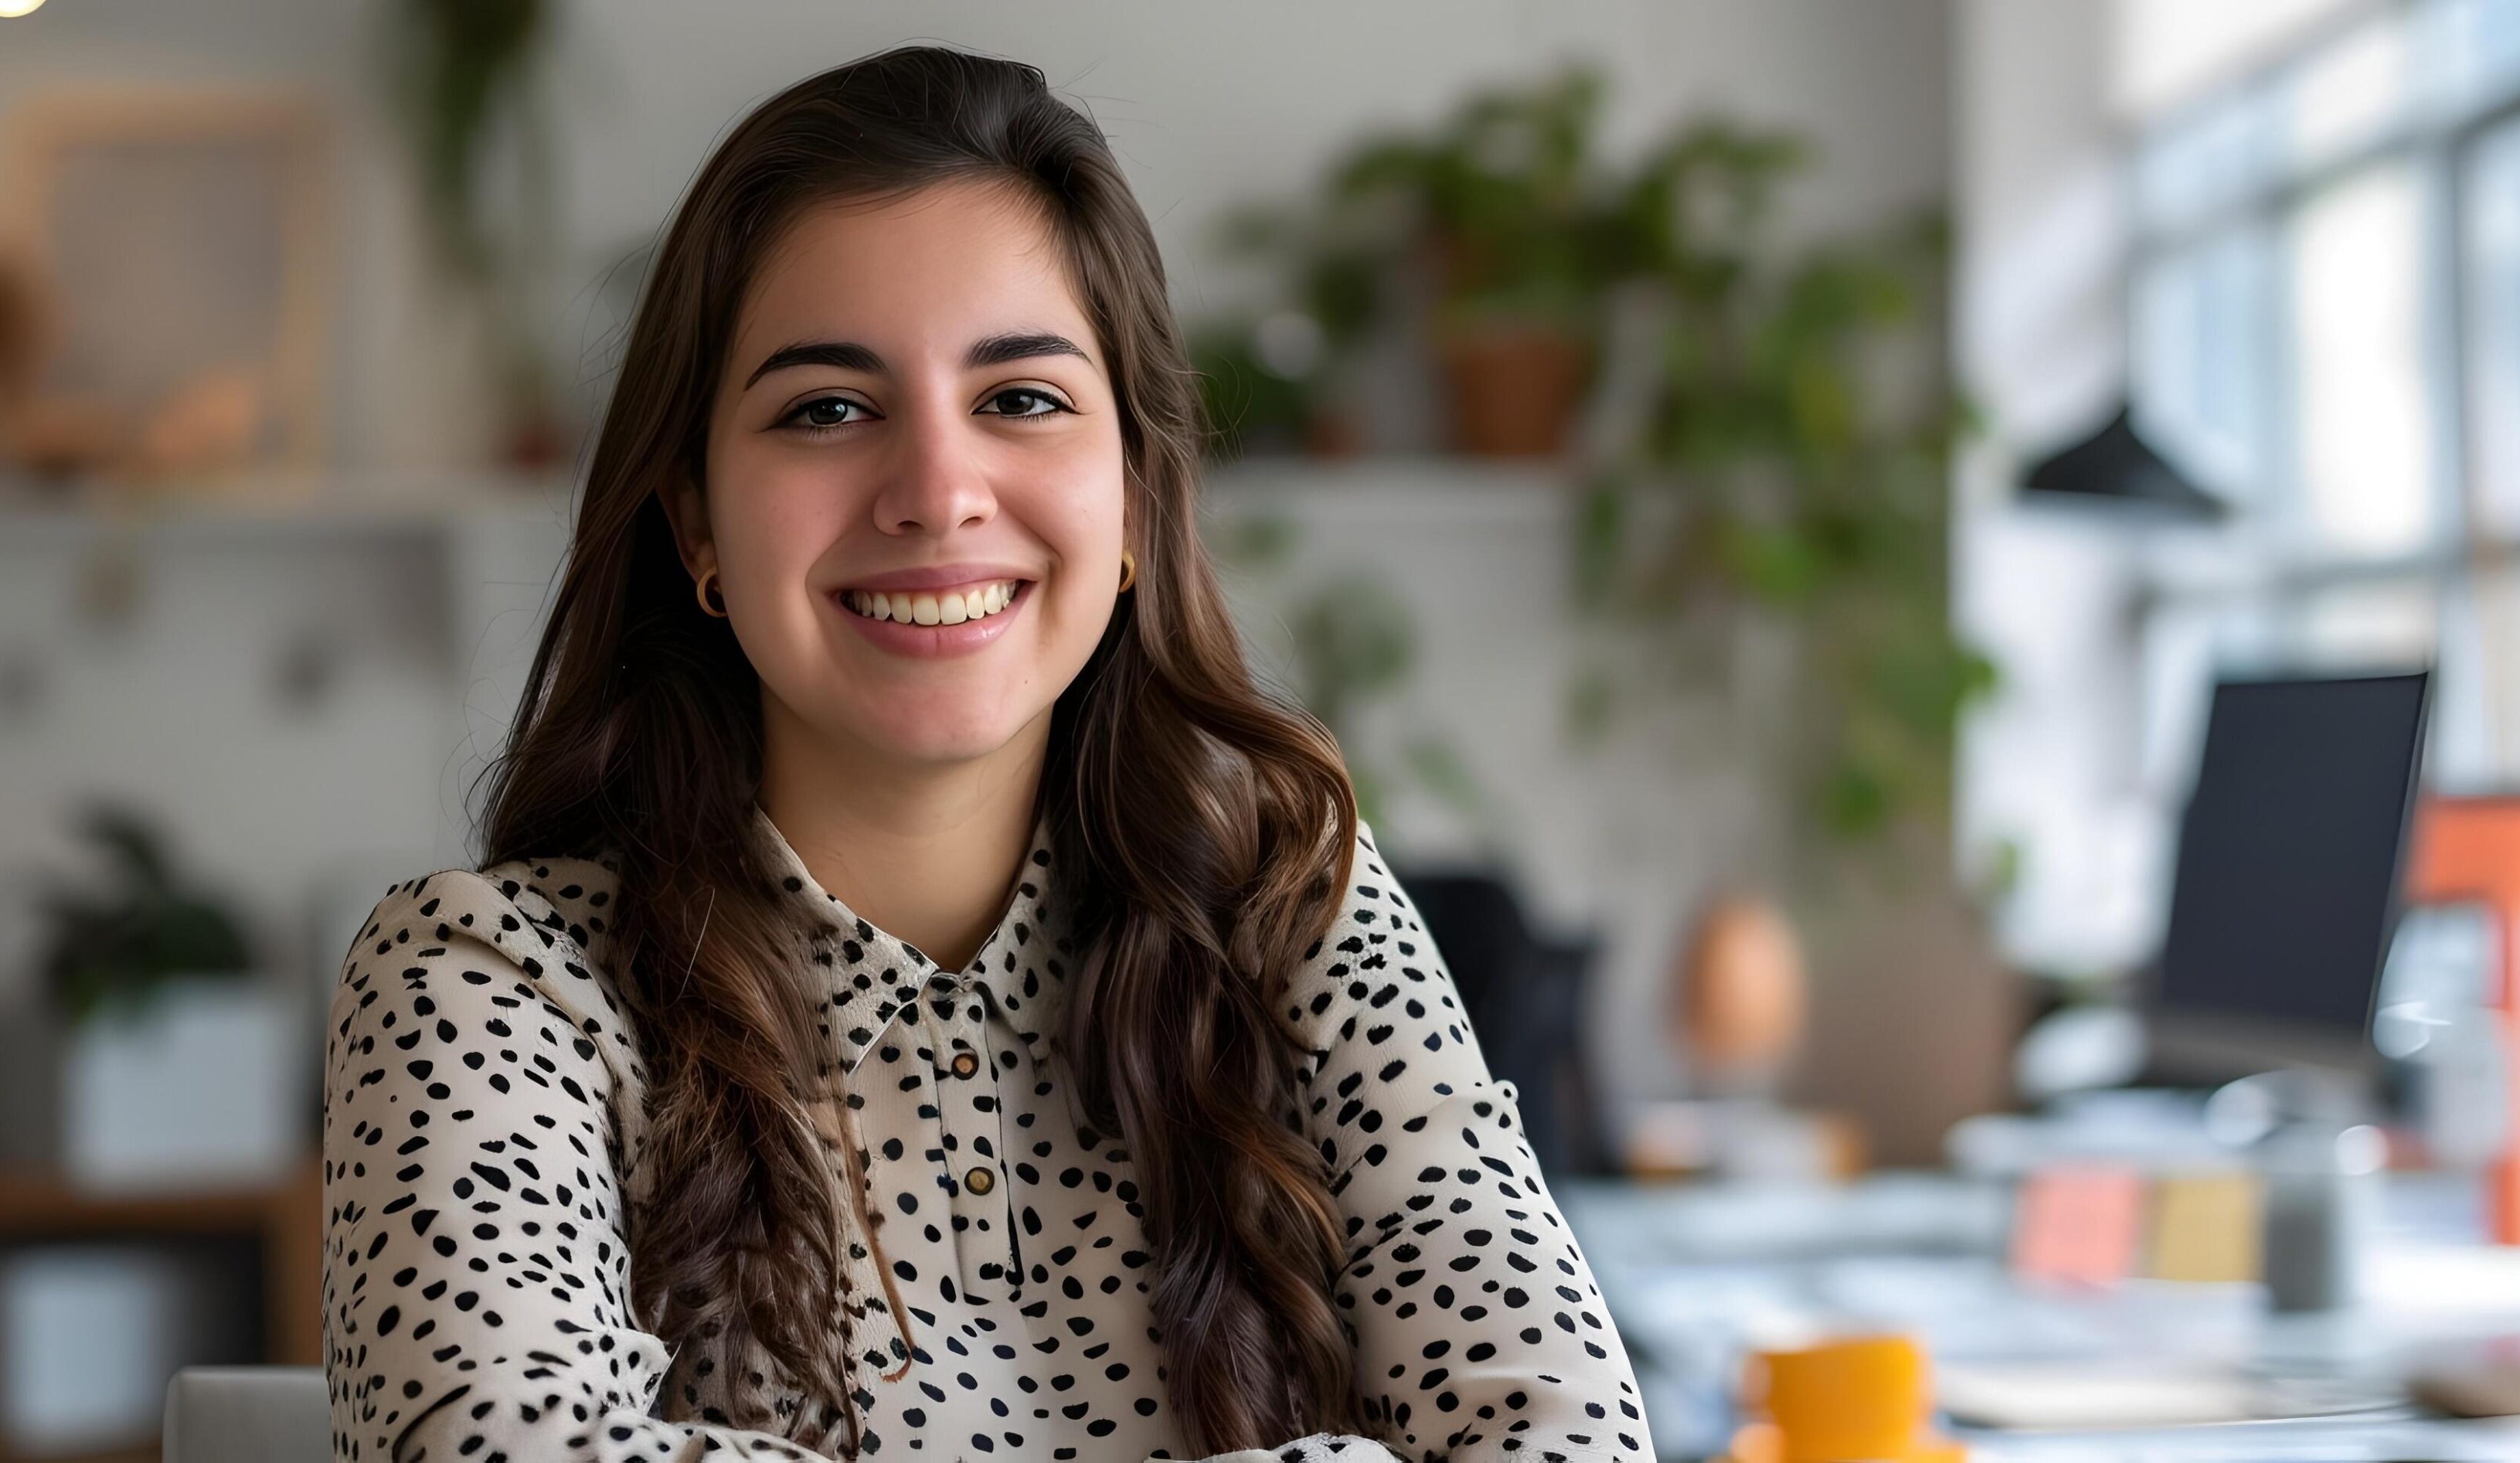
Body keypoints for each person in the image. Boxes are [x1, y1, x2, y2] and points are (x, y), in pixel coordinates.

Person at [321, 46, 1648, 1463]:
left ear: (1136, 500)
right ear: (698, 525)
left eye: (1020, 398)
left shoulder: (1291, 909)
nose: (937, 492)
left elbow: (1565, 1437)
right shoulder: (485, 981)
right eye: (827, 408)